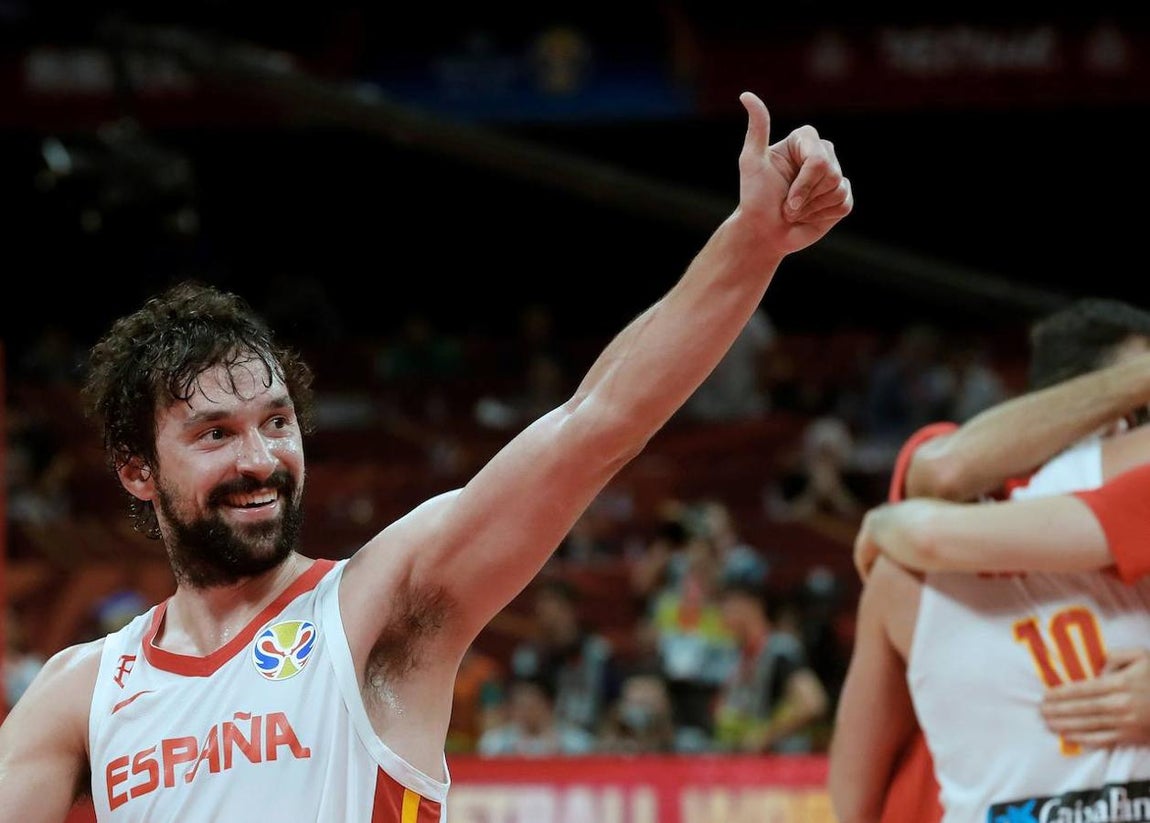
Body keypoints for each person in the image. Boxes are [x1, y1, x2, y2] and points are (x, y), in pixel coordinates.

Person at [0, 89, 853, 822]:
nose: (260, 457)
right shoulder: (84, 691)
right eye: (216, 433)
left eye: (277, 421)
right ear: (136, 469)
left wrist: (752, 243)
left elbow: (596, 424)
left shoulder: (379, 602)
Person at [837, 299, 1150, 823]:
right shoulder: (956, 488)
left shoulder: (919, 532)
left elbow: (850, 799)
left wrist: (889, 526)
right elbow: (943, 471)